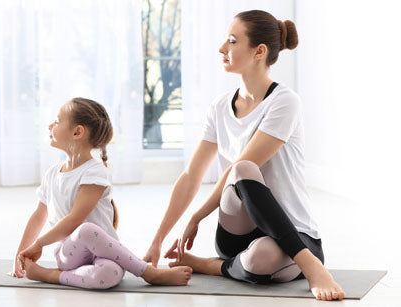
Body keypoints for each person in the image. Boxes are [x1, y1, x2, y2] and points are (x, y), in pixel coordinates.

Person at [143, 10, 345, 301]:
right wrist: (158, 239)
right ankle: (258, 264)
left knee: (259, 251)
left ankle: (301, 265)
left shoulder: (284, 102)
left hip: (293, 234)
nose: (222, 49)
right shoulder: (219, 106)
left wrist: (198, 215)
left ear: (259, 51)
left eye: (232, 41)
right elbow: (190, 176)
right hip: (237, 231)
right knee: (241, 175)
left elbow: (242, 166)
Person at [13, 97, 192, 289]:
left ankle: (51, 276)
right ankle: (149, 274)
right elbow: (39, 216)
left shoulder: (95, 172)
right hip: (69, 253)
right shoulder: (51, 174)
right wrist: (21, 255)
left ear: (77, 132)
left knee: (109, 274)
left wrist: (39, 244)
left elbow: (75, 218)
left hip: (106, 253)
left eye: (57, 121)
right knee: (85, 229)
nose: (50, 125)